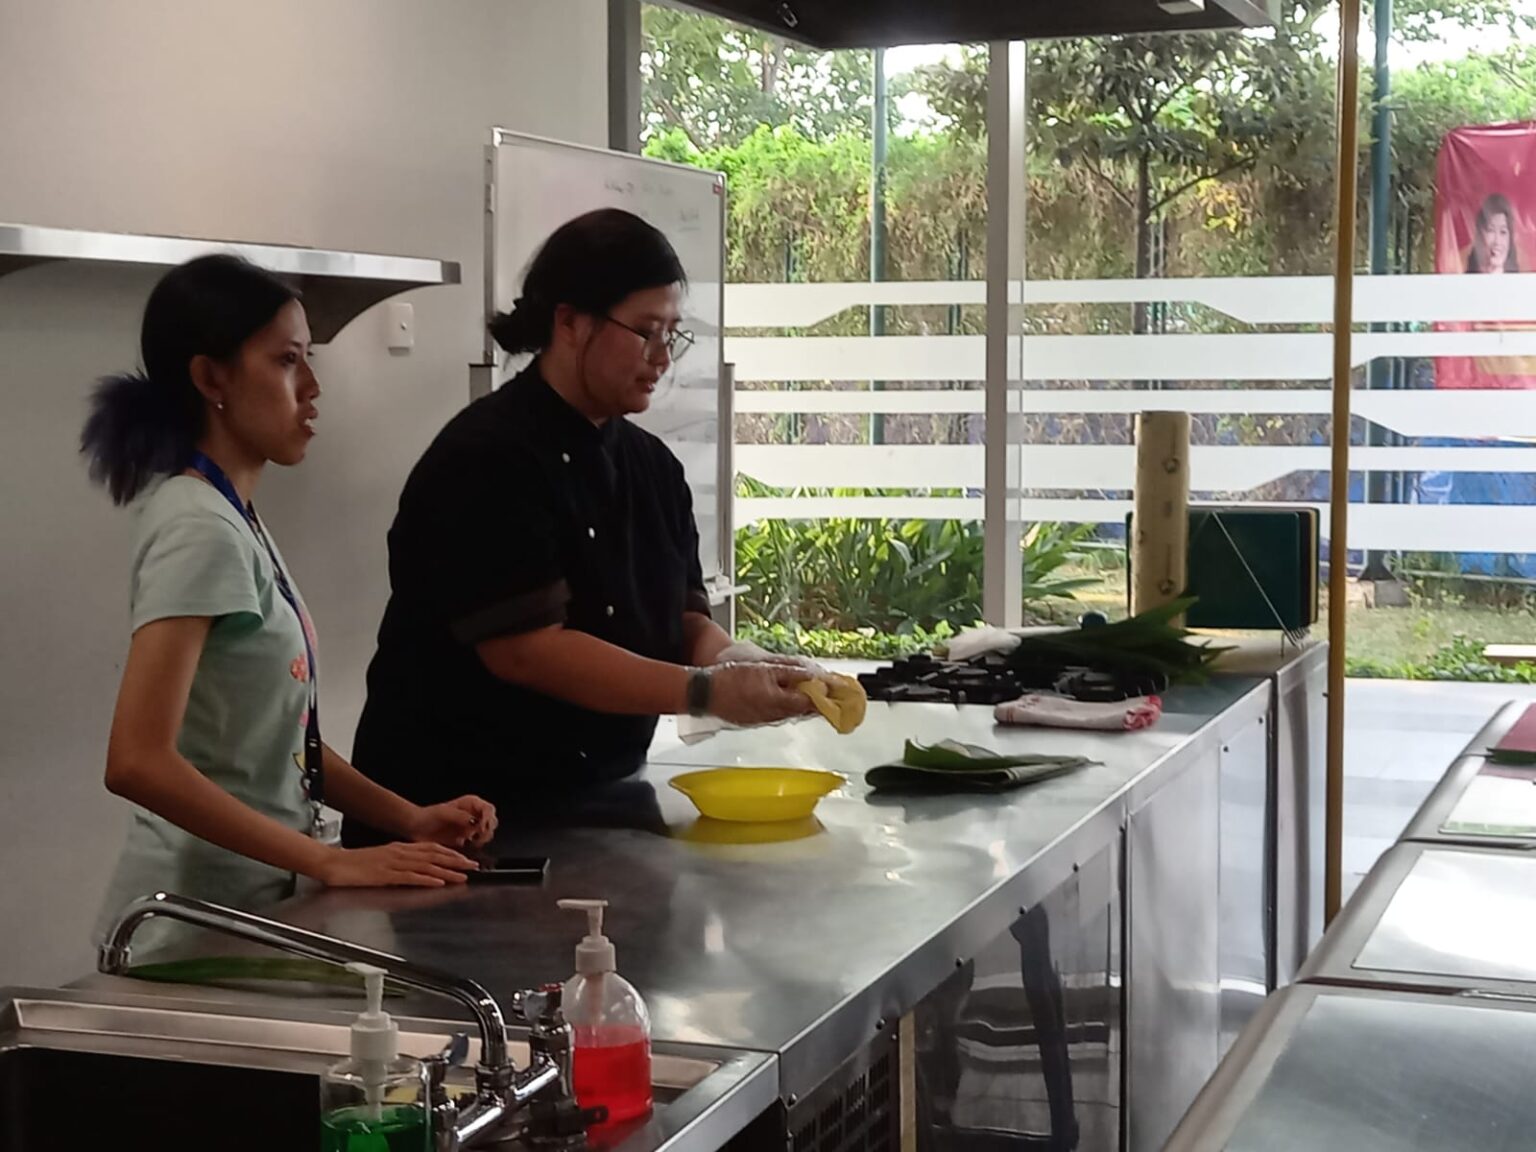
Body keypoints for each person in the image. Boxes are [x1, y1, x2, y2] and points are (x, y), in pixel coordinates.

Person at [344, 209, 812, 836]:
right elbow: (527, 651)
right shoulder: (487, 458)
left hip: (602, 798)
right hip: (455, 817)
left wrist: (738, 661)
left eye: (673, 335)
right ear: (569, 322)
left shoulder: (653, 468)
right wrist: (705, 692)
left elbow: (681, 620)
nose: (662, 358)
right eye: (646, 332)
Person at [82, 255, 498, 948]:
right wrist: (328, 861)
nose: (311, 386)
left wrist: (409, 819)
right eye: (286, 361)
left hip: (248, 912)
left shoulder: (230, 515)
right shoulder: (198, 527)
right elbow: (137, 760)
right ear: (211, 378)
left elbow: (279, 743)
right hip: (191, 931)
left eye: (309, 359)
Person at [1467, 193, 1519, 273]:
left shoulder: (1521, 279)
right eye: (1490, 230)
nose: (1497, 241)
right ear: (1480, 235)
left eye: (1503, 232)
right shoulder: (1464, 278)